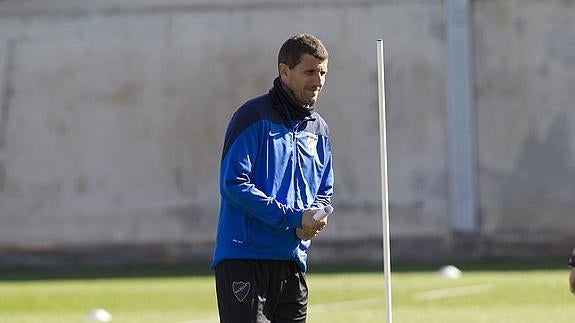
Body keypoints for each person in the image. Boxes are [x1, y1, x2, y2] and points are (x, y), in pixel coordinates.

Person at [211, 33, 334, 323]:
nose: (318, 81)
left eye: (323, 73)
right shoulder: (252, 116)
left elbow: (324, 188)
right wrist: (293, 218)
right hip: (245, 259)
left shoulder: (319, 129)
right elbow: (233, 184)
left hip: (292, 261)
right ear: (284, 71)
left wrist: (315, 216)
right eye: (309, 72)